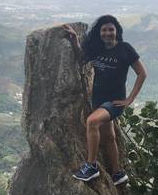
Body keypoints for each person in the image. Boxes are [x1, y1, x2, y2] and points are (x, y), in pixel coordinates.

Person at [63, 15, 147, 185]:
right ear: (99, 32)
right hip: (98, 100)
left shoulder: (125, 49)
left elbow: (142, 73)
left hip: (115, 102)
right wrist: (74, 40)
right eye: (104, 30)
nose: (107, 33)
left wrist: (129, 99)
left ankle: (91, 166)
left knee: (92, 122)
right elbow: (81, 58)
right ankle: (117, 173)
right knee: (108, 138)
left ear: (117, 31)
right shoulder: (97, 48)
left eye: (111, 29)